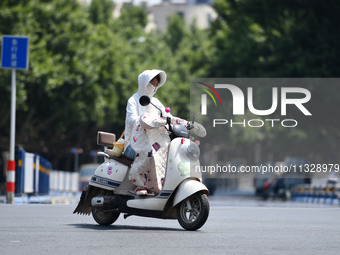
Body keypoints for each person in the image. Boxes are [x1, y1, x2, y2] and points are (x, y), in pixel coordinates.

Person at [124, 69, 186, 195]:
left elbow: (168, 116)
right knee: (150, 151)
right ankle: (141, 185)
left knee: (172, 152)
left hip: (155, 140)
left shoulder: (156, 102)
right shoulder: (133, 100)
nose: (154, 86)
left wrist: (183, 122)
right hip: (134, 143)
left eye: (156, 84)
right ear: (143, 82)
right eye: (151, 82)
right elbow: (132, 119)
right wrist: (148, 120)